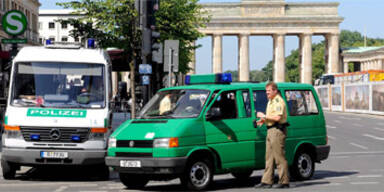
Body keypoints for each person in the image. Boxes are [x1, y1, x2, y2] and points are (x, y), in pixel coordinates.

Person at [255, 82, 290, 189]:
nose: (267, 93)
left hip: (277, 130)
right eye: (266, 91)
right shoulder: (270, 101)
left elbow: (277, 118)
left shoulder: (278, 101)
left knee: (279, 157)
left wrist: (264, 116)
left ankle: (284, 181)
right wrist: (262, 121)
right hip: (270, 130)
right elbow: (271, 117)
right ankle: (267, 181)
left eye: (269, 91)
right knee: (269, 157)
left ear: (275, 90)